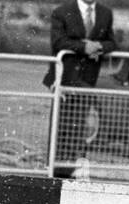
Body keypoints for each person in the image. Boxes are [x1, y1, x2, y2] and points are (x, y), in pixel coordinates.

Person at [42, 0, 116, 179]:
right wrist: (84, 47)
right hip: (65, 79)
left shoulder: (105, 13)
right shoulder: (61, 11)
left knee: (78, 129)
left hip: (87, 80)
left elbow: (112, 43)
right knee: (61, 128)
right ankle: (56, 173)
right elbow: (58, 42)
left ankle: (71, 171)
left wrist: (99, 47)